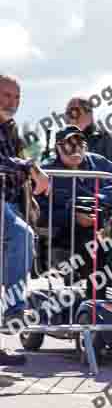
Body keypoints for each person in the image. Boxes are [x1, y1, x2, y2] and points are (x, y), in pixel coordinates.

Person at [38, 125, 112, 302]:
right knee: (96, 245)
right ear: (58, 147)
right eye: (69, 144)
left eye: (80, 142)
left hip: (108, 225)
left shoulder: (98, 162)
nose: (76, 148)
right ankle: (95, 306)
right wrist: (73, 216)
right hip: (69, 231)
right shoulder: (46, 172)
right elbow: (38, 213)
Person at [0, 74, 49, 365]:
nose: (13, 102)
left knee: (22, 240)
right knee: (21, 235)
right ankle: (14, 310)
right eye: (6, 95)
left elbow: (15, 168)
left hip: (8, 204)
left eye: (17, 97)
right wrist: (31, 167)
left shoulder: (11, 129)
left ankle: (12, 310)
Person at [65, 96, 112, 170]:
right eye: (67, 113)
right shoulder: (65, 139)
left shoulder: (105, 137)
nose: (70, 117)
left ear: (89, 114)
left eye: (74, 112)